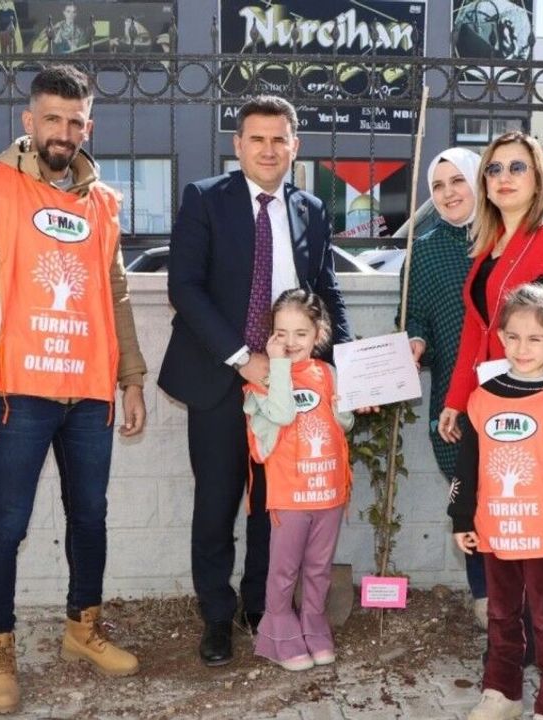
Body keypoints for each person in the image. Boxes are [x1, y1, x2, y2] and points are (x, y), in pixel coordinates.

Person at [0, 65, 147, 715]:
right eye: (52, 118)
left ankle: (82, 630)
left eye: (75, 120)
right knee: (5, 524)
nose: (64, 130)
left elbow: (116, 295)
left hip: (90, 393)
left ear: (90, 126)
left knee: (90, 517)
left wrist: (132, 378)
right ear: (29, 122)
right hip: (18, 391)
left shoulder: (104, 203)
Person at [158, 95, 351, 668]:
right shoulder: (204, 198)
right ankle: (217, 617)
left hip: (291, 386)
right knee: (217, 501)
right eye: (257, 139)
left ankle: (262, 607)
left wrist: (349, 367)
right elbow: (184, 286)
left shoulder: (312, 208)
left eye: (279, 139)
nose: (268, 149)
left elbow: (326, 290)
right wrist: (243, 358)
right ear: (238, 145)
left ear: (295, 146)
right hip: (221, 376)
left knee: (277, 505)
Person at [449, 277, 543, 720]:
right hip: (496, 531)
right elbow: (467, 466)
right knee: (501, 615)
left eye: (534, 339)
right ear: (500, 335)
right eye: (513, 337)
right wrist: (461, 518)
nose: (521, 348)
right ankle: (502, 693)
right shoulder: (483, 397)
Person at [437, 130, 543, 444]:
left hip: (536, 398)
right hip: (489, 394)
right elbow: (475, 329)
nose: (503, 177)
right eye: (494, 169)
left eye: (517, 167)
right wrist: (456, 399)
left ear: (538, 179)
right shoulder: (487, 246)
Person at [397, 147, 489, 627]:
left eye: (458, 181)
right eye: (438, 185)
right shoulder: (425, 250)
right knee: (467, 492)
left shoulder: (507, 238)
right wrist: (415, 340)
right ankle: (486, 596)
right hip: (455, 396)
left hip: (515, 394)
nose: (449, 193)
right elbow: (412, 315)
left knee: (522, 487)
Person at [244, 289, 354, 672]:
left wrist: (346, 407)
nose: (291, 342)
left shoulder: (327, 373)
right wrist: (277, 366)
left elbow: (343, 424)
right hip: (290, 495)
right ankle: (278, 632)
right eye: (281, 333)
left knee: (319, 567)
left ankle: (313, 623)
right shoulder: (263, 378)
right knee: (284, 569)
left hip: (328, 492)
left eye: (301, 333)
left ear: (318, 334)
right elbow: (282, 413)